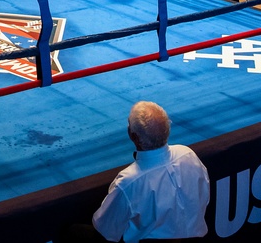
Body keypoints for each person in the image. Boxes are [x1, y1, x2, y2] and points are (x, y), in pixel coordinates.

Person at [60, 101, 209, 242]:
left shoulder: (129, 181)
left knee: (72, 232)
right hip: (195, 237)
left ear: (133, 136)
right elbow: (204, 194)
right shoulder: (188, 154)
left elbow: (105, 230)